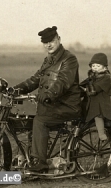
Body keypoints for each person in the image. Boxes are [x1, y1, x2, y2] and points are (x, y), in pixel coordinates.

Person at [13, 26, 82, 172]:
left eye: (51, 41)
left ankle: (41, 162)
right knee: (27, 119)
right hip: (52, 104)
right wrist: (16, 89)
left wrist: (49, 94)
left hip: (67, 106)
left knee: (41, 120)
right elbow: (35, 79)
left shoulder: (69, 59)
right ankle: (29, 157)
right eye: (45, 42)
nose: (48, 45)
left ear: (59, 39)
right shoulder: (49, 60)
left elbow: (62, 82)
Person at [79, 53, 111, 148]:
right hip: (91, 102)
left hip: (100, 103)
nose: (95, 68)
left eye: (98, 66)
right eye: (93, 66)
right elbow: (84, 83)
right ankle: (75, 135)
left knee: (98, 116)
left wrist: (85, 89)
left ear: (105, 68)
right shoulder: (93, 76)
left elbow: (94, 90)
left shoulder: (106, 78)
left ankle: (103, 136)